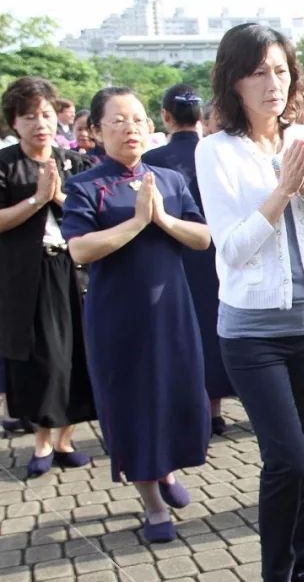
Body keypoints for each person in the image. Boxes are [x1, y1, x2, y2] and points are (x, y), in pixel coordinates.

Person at [195, 23, 304, 582]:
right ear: (234, 80)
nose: (271, 83)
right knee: (284, 458)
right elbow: (229, 249)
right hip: (253, 330)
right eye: (258, 72)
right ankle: (275, 578)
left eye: (280, 70)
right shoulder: (216, 150)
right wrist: (280, 192)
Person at [62, 86, 211, 541]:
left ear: (151, 127)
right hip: (118, 316)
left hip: (172, 311)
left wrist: (163, 220)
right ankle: (150, 499)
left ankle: (165, 471)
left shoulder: (168, 179)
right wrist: (135, 223)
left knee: (176, 395)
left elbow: (202, 237)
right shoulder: (86, 185)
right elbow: (80, 249)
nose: (130, 128)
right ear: (96, 130)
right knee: (133, 403)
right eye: (118, 120)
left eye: (138, 119)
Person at [0, 76, 96, 477]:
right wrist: (37, 198)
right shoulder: (6, 165)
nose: (39, 123)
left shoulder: (75, 161)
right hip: (28, 273)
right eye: (29, 116)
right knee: (43, 359)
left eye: (45, 114)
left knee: (77, 355)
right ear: (14, 122)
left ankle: (65, 440)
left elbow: (89, 213)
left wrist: (58, 196)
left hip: (73, 270)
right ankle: (41, 441)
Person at [143, 84, 236, 434]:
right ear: (201, 117)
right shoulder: (216, 153)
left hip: (172, 257)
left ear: (165, 117)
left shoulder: (151, 162)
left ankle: (189, 407)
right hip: (219, 252)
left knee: (182, 331)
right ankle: (215, 408)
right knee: (216, 326)